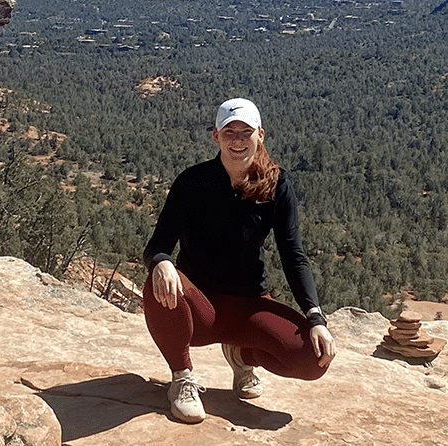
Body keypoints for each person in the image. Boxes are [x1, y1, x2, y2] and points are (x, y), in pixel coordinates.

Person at [143, 97, 336, 424]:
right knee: (159, 280)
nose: (237, 139)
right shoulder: (192, 183)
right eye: (228, 131)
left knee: (313, 360)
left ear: (260, 134)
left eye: (245, 131)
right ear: (215, 136)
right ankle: (182, 378)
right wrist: (161, 261)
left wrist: (315, 318)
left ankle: (240, 354)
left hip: (249, 307)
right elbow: (158, 245)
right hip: (199, 308)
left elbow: (293, 254)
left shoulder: (276, 185)